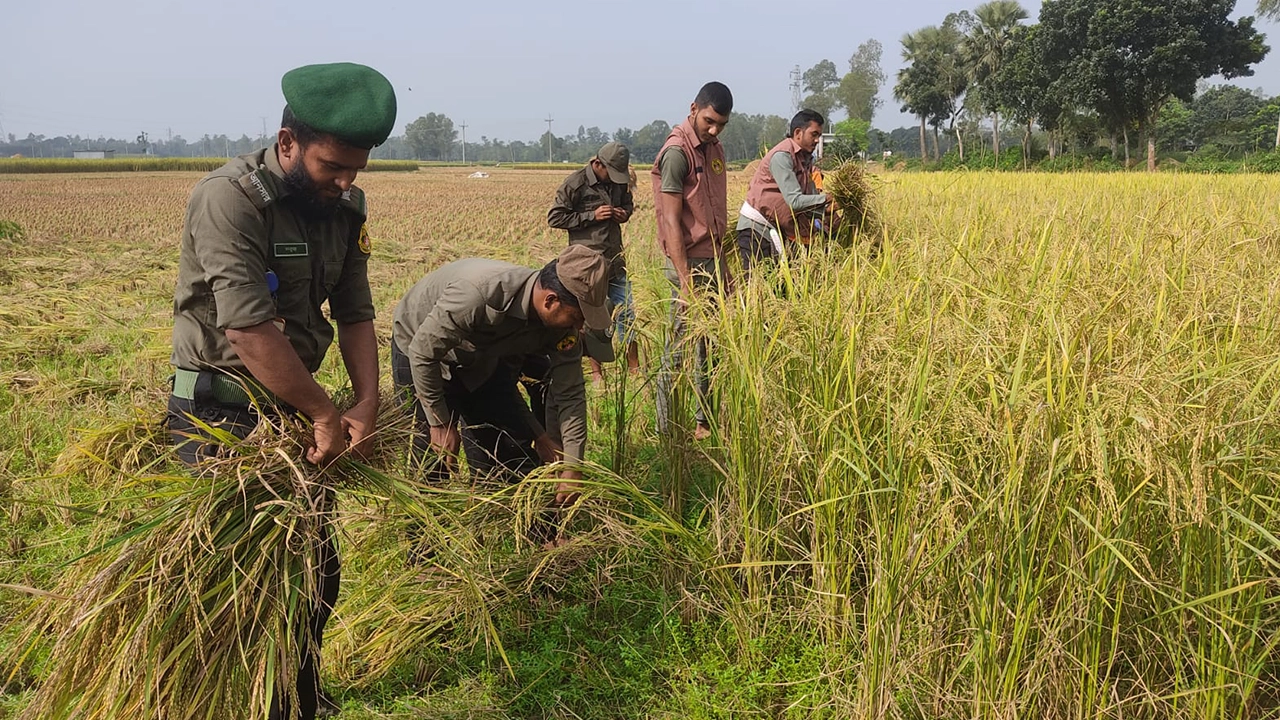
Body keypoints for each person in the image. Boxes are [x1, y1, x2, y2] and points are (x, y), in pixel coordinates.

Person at [166, 62, 396, 720]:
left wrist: (366, 402)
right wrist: (324, 409)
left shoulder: (344, 208)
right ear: (288, 142)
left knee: (316, 572)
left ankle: (301, 693)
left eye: (357, 168)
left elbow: (354, 313)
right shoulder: (229, 199)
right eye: (333, 166)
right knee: (232, 580)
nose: (346, 181)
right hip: (217, 410)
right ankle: (222, 700)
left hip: (291, 410)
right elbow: (246, 329)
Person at [390, 245, 612, 507]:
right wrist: (439, 421)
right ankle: (423, 543)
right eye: (576, 318)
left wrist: (572, 465)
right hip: (419, 348)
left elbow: (570, 393)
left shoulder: (560, 327)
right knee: (433, 458)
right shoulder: (479, 294)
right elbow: (423, 353)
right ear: (550, 301)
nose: (578, 328)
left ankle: (492, 522)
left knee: (503, 449)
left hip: (481, 356)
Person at [651, 81, 733, 441]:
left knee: (710, 348)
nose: (713, 130)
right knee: (679, 349)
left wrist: (726, 267)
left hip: (713, 261)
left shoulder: (715, 149)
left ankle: (705, 422)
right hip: (687, 265)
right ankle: (666, 431)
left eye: (721, 124)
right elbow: (671, 220)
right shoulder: (676, 152)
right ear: (693, 108)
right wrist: (685, 282)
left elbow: (715, 212)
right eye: (709, 121)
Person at [547, 142, 639, 381]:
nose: (615, 179)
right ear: (598, 164)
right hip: (587, 266)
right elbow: (555, 217)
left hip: (615, 262)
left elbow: (628, 204)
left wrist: (623, 213)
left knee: (627, 314)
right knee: (591, 319)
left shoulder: (618, 181)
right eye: (610, 172)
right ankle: (597, 374)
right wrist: (591, 216)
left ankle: (634, 368)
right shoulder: (575, 183)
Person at [736, 109, 831, 274]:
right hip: (757, 230)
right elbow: (795, 201)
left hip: (778, 229)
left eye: (819, 136)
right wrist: (826, 199)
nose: (817, 140)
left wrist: (825, 212)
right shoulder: (782, 156)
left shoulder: (805, 159)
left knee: (780, 287)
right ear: (798, 133)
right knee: (757, 289)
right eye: (814, 134)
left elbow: (807, 200)